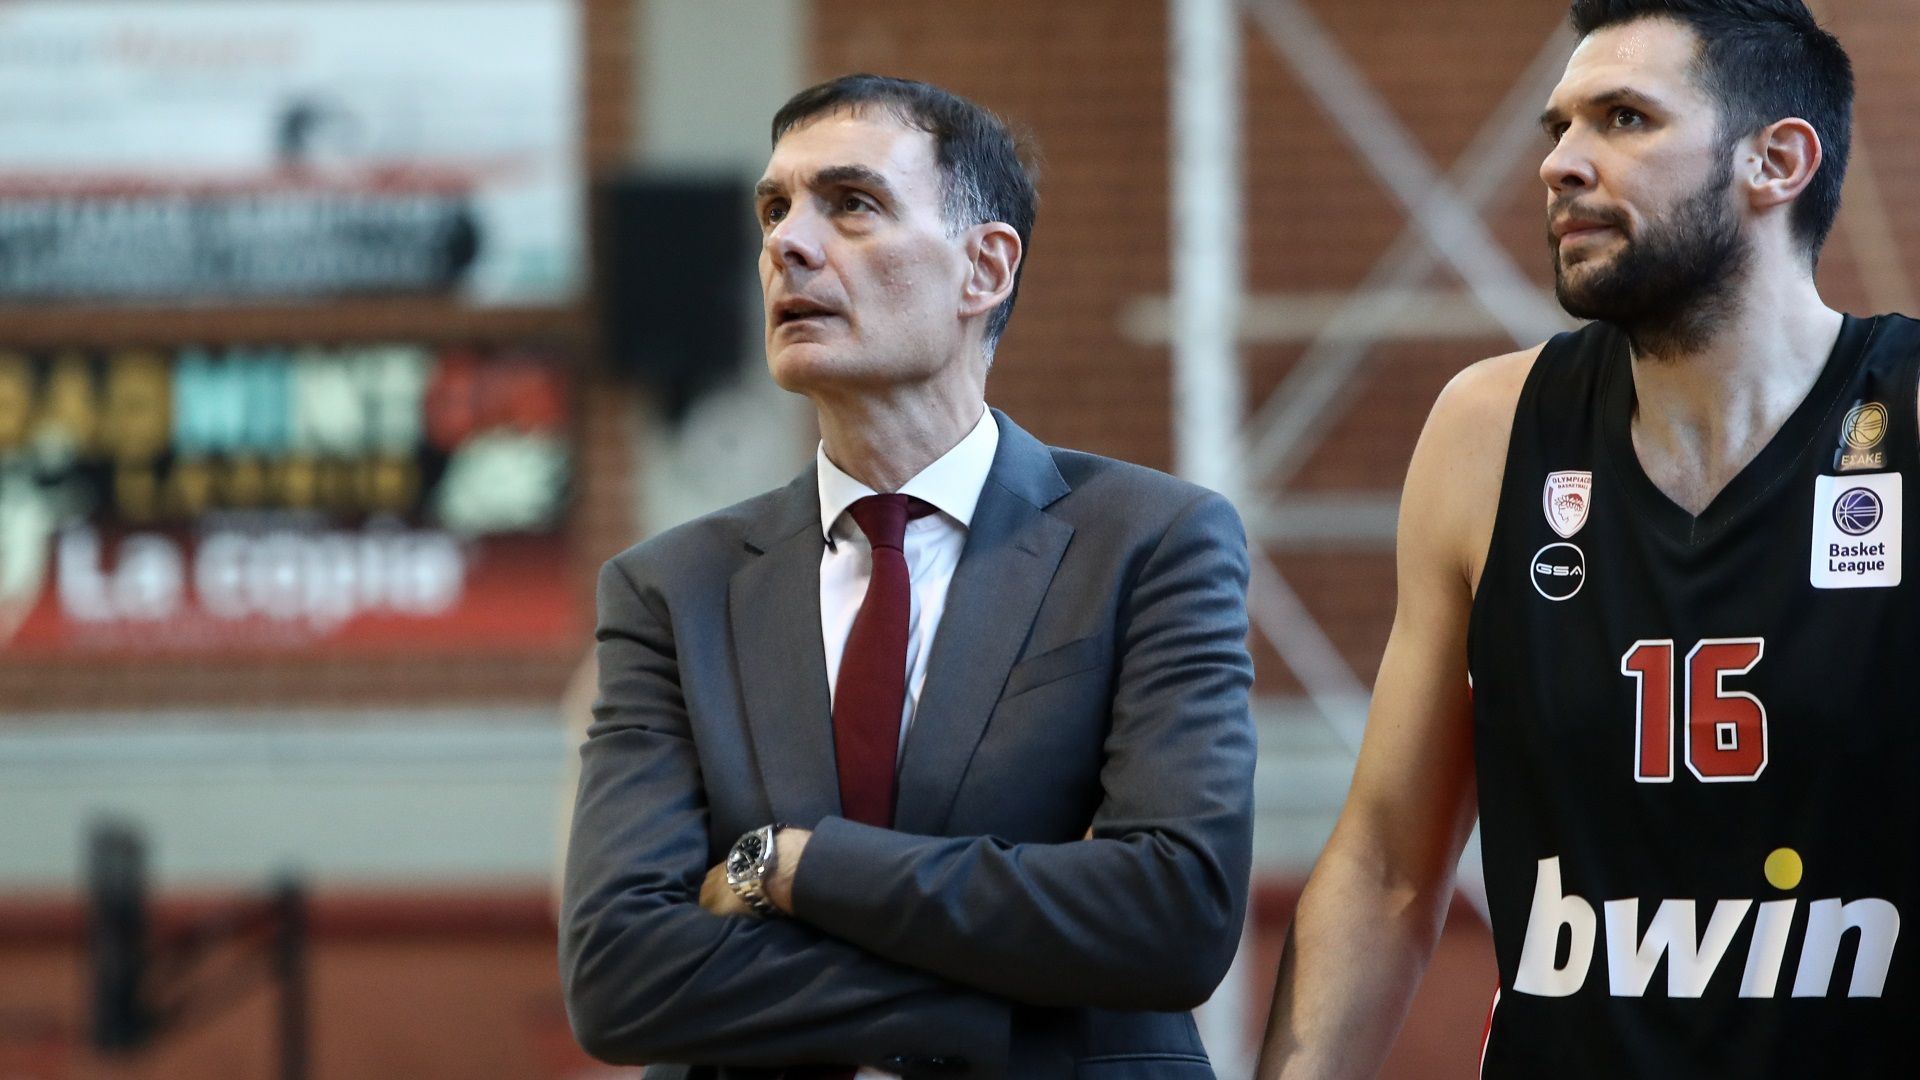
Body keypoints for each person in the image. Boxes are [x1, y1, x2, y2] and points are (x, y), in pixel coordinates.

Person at [1257, 2, 1915, 1076]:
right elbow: (1386, 865)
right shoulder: (1488, 429)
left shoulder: (1907, 415)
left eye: (1623, 118)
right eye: (1558, 127)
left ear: (1777, 162)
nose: (1561, 162)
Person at [561, 74, 1256, 1079]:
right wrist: (1017, 995)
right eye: (774, 209)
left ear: (985, 267)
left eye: (850, 204)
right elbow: (620, 976)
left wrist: (788, 865)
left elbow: (1173, 914)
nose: (789, 244)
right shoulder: (672, 590)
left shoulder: (1150, 541)